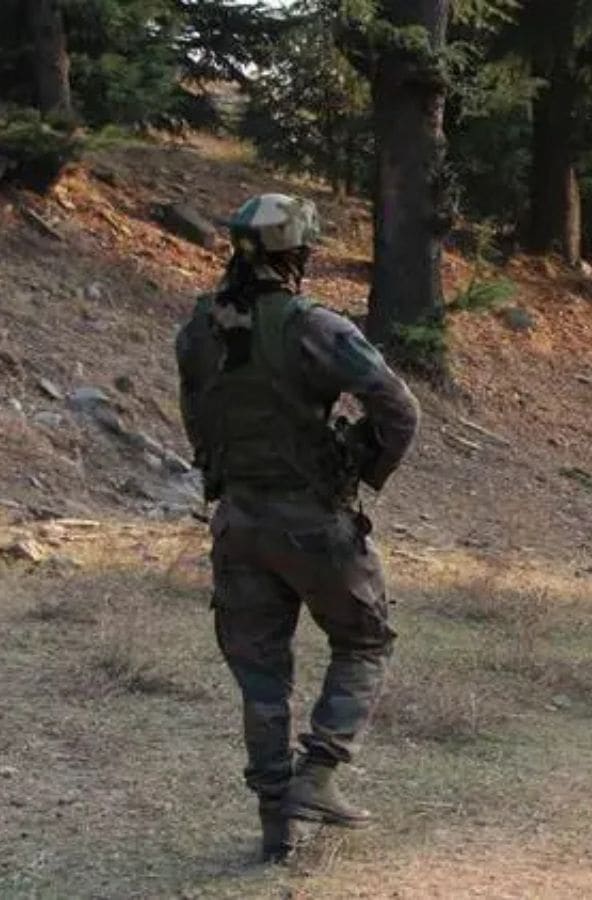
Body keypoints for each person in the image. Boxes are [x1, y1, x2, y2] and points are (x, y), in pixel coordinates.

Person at [175, 193, 419, 863]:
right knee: (365, 642)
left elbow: (198, 422)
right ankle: (317, 777)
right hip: (314, 522)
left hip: (239, 522)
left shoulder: (199, 327)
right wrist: (362, 464)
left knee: (261, 678)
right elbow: (399, 410)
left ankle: (276, 827)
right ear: (299, 255)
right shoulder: (314, 326)